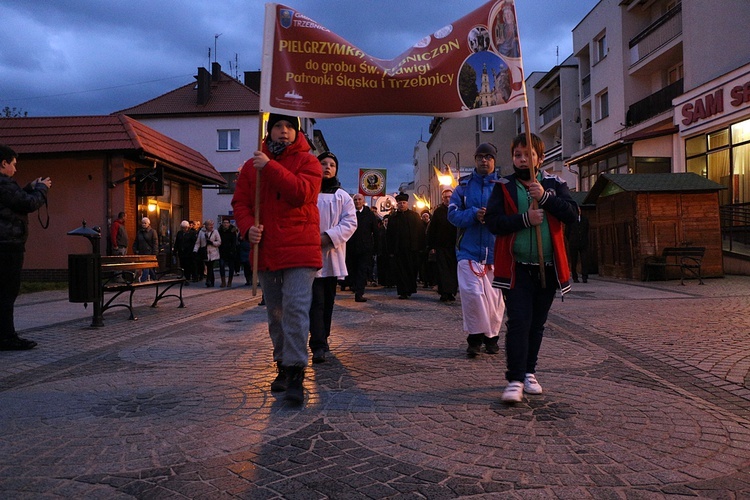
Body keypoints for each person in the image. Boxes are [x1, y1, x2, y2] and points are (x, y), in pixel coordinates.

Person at [231, 113, 322, 404]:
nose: (283, 132)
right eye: (277, 127)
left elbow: (301, 194)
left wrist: (270, 167)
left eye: (288, 127)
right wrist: (247, 228)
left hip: (300, 248)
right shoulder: (251, 166)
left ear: (296, 133)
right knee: (276, 313)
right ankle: (282, 364)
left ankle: (296, 371)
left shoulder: (309, 162)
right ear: (268, 131)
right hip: (268, 248)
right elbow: (241, 203)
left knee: (295, 309)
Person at [484, 133, 577, 403]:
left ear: (540, 157)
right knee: (519, 323)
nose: (522, 159)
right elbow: (494, 222)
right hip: (517, 268)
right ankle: (514, 378)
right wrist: (524, 219)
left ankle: (529, 372)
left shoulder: (555, 184)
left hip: (547, 267)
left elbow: (573, 214)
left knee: (537, 325)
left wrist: (546, 199)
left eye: (528, 154)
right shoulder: (504, 186)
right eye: (517, 154)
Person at [447, 143, 505, 358]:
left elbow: (512, 215)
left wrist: (494, 218)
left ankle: (492, 338)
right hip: (468, 252)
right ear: (475, 159)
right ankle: (475, 338)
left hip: (495, 251)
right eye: (480, 157)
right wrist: (473, 214)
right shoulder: (462, 187)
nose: (484, 161)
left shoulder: (504, 186)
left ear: (494, 160)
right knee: (473, 296)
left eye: (488, 157)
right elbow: (452, 216)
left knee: (494, 300)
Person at [0, 144, 51, 351]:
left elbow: (15, 200)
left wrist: (29, 188)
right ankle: (7, 337)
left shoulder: (6, 186)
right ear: (3, 163)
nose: (15, 169)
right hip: (8, 246)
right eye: (13, 164)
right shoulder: (3, 183)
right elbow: (27, 204)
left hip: (6, 244)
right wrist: (42, 189)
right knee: (7, 292)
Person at [309, 151, 357, 363]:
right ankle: (317, 344)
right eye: (323, 163)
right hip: (309, 253)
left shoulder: (342, 196)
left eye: (332, 165)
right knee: (316, 302)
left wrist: (328, 237)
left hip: (332, 253)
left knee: (328, 301)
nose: (327, 167)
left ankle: (323, 337)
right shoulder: (309, 192)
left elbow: (350, 223)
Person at [387, 192, 425, 299]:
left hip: (412, 249)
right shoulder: (393, 218)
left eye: (404, 203)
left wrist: (421, 247)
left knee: (411, 270)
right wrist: (390, 250)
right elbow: (389, 235)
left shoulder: (415, 216)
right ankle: (402, 291)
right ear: (397, 204)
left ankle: (410, 289)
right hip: (398, 250)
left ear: (407, 204)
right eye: (400, 203)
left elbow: (421, 232)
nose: (402, 205)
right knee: (400, 271)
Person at [345, 193, 379, 302]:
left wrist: (376, 247)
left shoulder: (369, 214)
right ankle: (354, 287)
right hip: (351, 247)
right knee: (352, 269)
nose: (357, 201)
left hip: (365, 248)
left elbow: (375, 231)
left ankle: (359, 293)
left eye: (359, 199)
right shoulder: (348, 213)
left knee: (362, 270)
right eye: (355, 200)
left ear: (363, 201)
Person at [427, 188, 458, 302]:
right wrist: (432, 246)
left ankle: (451, 292)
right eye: (446, 197)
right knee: (443, 270)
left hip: (454, 246)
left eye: (450, 197)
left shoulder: (457, 209)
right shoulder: (438, 211)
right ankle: (444, 292)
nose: (448, 199)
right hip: (441, 246)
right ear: (442, 198)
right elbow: (432, 229)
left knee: (453, 270)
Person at [193, 219, 220, 287]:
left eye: (212, 225)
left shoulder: (215, 232)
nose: (211, 226)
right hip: (205, 253)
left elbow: (219, 242)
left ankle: (208, 280)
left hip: (213, 252)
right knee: (209, 266)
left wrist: (212, 243)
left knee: (210, 266)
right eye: (209, 225)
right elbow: (198, 242)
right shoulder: (201, 232)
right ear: (206, 226)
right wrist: (195, 250)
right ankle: (211, 281)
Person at [566, 206, 590, 283]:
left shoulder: (585, 220)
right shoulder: (570, 220)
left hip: (583, 243)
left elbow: (587, 230)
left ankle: (585, 277)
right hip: (573, 243)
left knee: (584, 260)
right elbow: (567, 232)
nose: (578, 211)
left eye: (579, 210)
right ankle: (575, 277)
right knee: (574, 261)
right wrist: (570, 239)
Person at [133, 217, 158, 282]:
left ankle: (143, 279)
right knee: (147, 266)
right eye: (142, 223)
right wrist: (135, 249)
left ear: (148, 224)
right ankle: (154, 277)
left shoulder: (152, 232)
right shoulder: (139, 232)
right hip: (141, 252)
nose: (143, 224)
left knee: (146, 266)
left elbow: (155, 243)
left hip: (149, 252)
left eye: (145, 223)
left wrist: (154, 253)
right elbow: (136, 241)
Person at [218, 218, 238, 287]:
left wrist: (232, 250)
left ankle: (229, 281)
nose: (225, 224)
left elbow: (234, 242)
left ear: (229, 224)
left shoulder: (232, 231)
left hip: (230, 252)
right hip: (222, 251)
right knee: (221, 266)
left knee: (231, 267)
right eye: (224, 222)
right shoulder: (219, 231)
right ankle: (223, 281)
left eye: (227, 223)